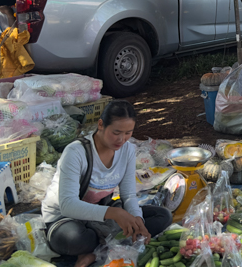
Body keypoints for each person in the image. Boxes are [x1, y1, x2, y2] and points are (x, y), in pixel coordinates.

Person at [42, 101, 172, 267]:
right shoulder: (76, 152)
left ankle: (98, 251)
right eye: (116, 132)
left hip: (100, 215)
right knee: (74, 238)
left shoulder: (128, 150)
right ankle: (103, 247)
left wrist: (137, 220)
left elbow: (129, 195)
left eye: (128, 133)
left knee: (163, 216)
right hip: (66, 218)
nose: (121, 139)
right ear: (101, 125)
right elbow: (67, 205)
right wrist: (114, 213)